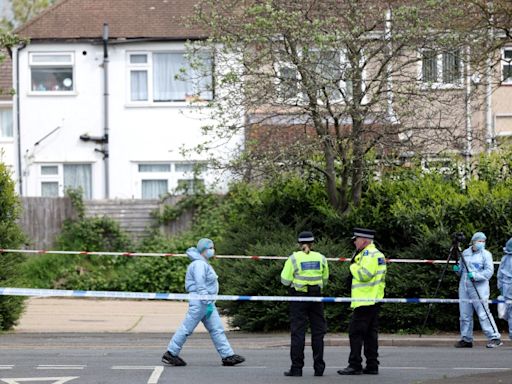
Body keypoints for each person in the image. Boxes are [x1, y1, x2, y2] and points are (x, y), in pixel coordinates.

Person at [161, 238, 245, 366]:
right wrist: (206, 300)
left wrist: (209, 302)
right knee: (186, 328)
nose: (213, 250)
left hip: (207, 303)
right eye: (210, 248)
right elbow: (200, 284)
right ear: (203, 250)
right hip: (201, 302)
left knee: (217, 329)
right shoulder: (199, 264)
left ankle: (228, 355)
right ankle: (171, 353)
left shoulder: (203, 263)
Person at [280, 231, 329, 377]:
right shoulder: (321, 258)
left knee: (298, 333)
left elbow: (285, 281)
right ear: (313, 244)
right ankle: (319, 368)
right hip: (316, 298)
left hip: (299, 298)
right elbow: (325, 280)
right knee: (318, 333)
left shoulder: (293, 258)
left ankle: (296, 368)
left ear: (299, 244)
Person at [338, 228, 386, 376]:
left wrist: (352, 266)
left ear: (364, 240)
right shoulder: (376, 254)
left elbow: (365, 275)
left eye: (356, 239)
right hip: (373, 299)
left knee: (355, 333)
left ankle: (355, 364)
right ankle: (372, 365)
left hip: (364, 301)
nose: (354, 242)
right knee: (370, 335)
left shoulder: (369, 254)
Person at [453, 231, 502, 348]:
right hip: (464, 286)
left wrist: (476, 276)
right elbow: (461, 271)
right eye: (480, 241)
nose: (482, 243)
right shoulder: (465, 253)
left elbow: (489, 272)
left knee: (483, 313)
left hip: (479, 287)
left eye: (483, 241)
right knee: (464, 314)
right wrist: (456, 269)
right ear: (473, 242)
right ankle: (466, 339)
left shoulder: (486, 254)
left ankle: (494, 337)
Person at [497, 237, 512, 341]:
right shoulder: (505, 259)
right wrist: (501, 289)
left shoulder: (505, 258)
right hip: (508, 290)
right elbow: (500, 276)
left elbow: (500, 276)